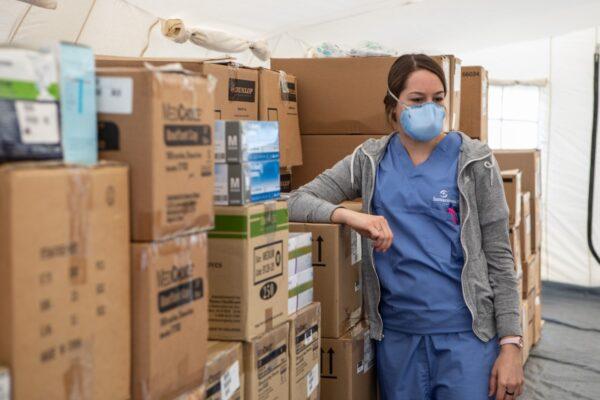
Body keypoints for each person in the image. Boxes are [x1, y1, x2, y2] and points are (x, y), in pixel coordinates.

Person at [288, 54, 525, 400]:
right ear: (393, 105)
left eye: (438, 99)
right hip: (398, 341)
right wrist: (351, 216)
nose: (430, 107)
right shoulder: (370, 161)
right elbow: (295, 200)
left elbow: (500, 258)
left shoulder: (474, 161)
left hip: (466, 339)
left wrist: (511, 346)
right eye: (417, 100)